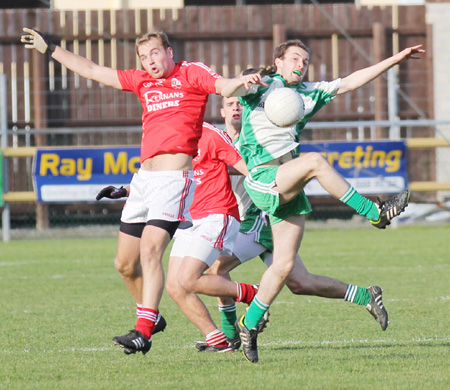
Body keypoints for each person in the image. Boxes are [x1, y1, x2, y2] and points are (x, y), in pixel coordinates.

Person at [20, 27, 256, 356]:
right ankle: (153, 316)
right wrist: (51, 50)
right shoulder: (142, 81)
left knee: (150, 250)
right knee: (125, 263)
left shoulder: (190, 73)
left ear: (169, 52)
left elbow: (222, 85)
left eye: (155, 53)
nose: (150, 61)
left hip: (175, 180)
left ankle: (143, 331)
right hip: (144, 179)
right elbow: (91, 69)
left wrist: (241, 83)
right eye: (144, 57)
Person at [221, 40, 424, 363]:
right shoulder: (261, 86)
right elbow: (227, 89)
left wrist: (395, 59)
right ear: (279, 62)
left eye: (305, 59)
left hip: (288, 181)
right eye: (294, 58)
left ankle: (249, 322)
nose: (301, 64)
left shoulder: (310, 92)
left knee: (287, 269)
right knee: (315, 161)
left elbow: (353, 79)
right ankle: (375, 212)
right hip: (263, 177)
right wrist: (242, 81)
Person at [207, 95, 390, 347]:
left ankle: (231, 333)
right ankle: (364, 295)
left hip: (261, 219)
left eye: (240, 103)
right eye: (230, 104)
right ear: (222, 111)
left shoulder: (258, 138)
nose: (236, 107)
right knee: (300, 282)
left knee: (216, 270)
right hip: (256, 221)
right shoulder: (219, 141)